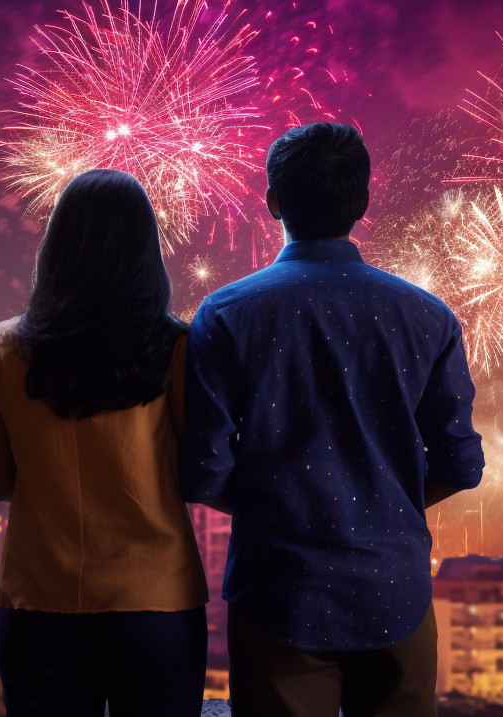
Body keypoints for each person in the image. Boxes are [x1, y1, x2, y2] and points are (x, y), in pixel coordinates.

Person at [179, 122, 485, 717]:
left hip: (277, 591)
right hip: (394, 589)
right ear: (363, 203)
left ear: (272, 203)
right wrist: (381, 505)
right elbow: (461, 464)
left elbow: (203, 471)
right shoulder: (428, 316)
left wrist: (283, 506)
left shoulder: (226, 314)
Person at [0, 168, 208, 717]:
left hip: (39, 601)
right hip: (158, 603)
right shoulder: (177, 346)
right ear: (145, 250)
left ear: (57, 246)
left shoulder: (3, 348)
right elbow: (197, 473)